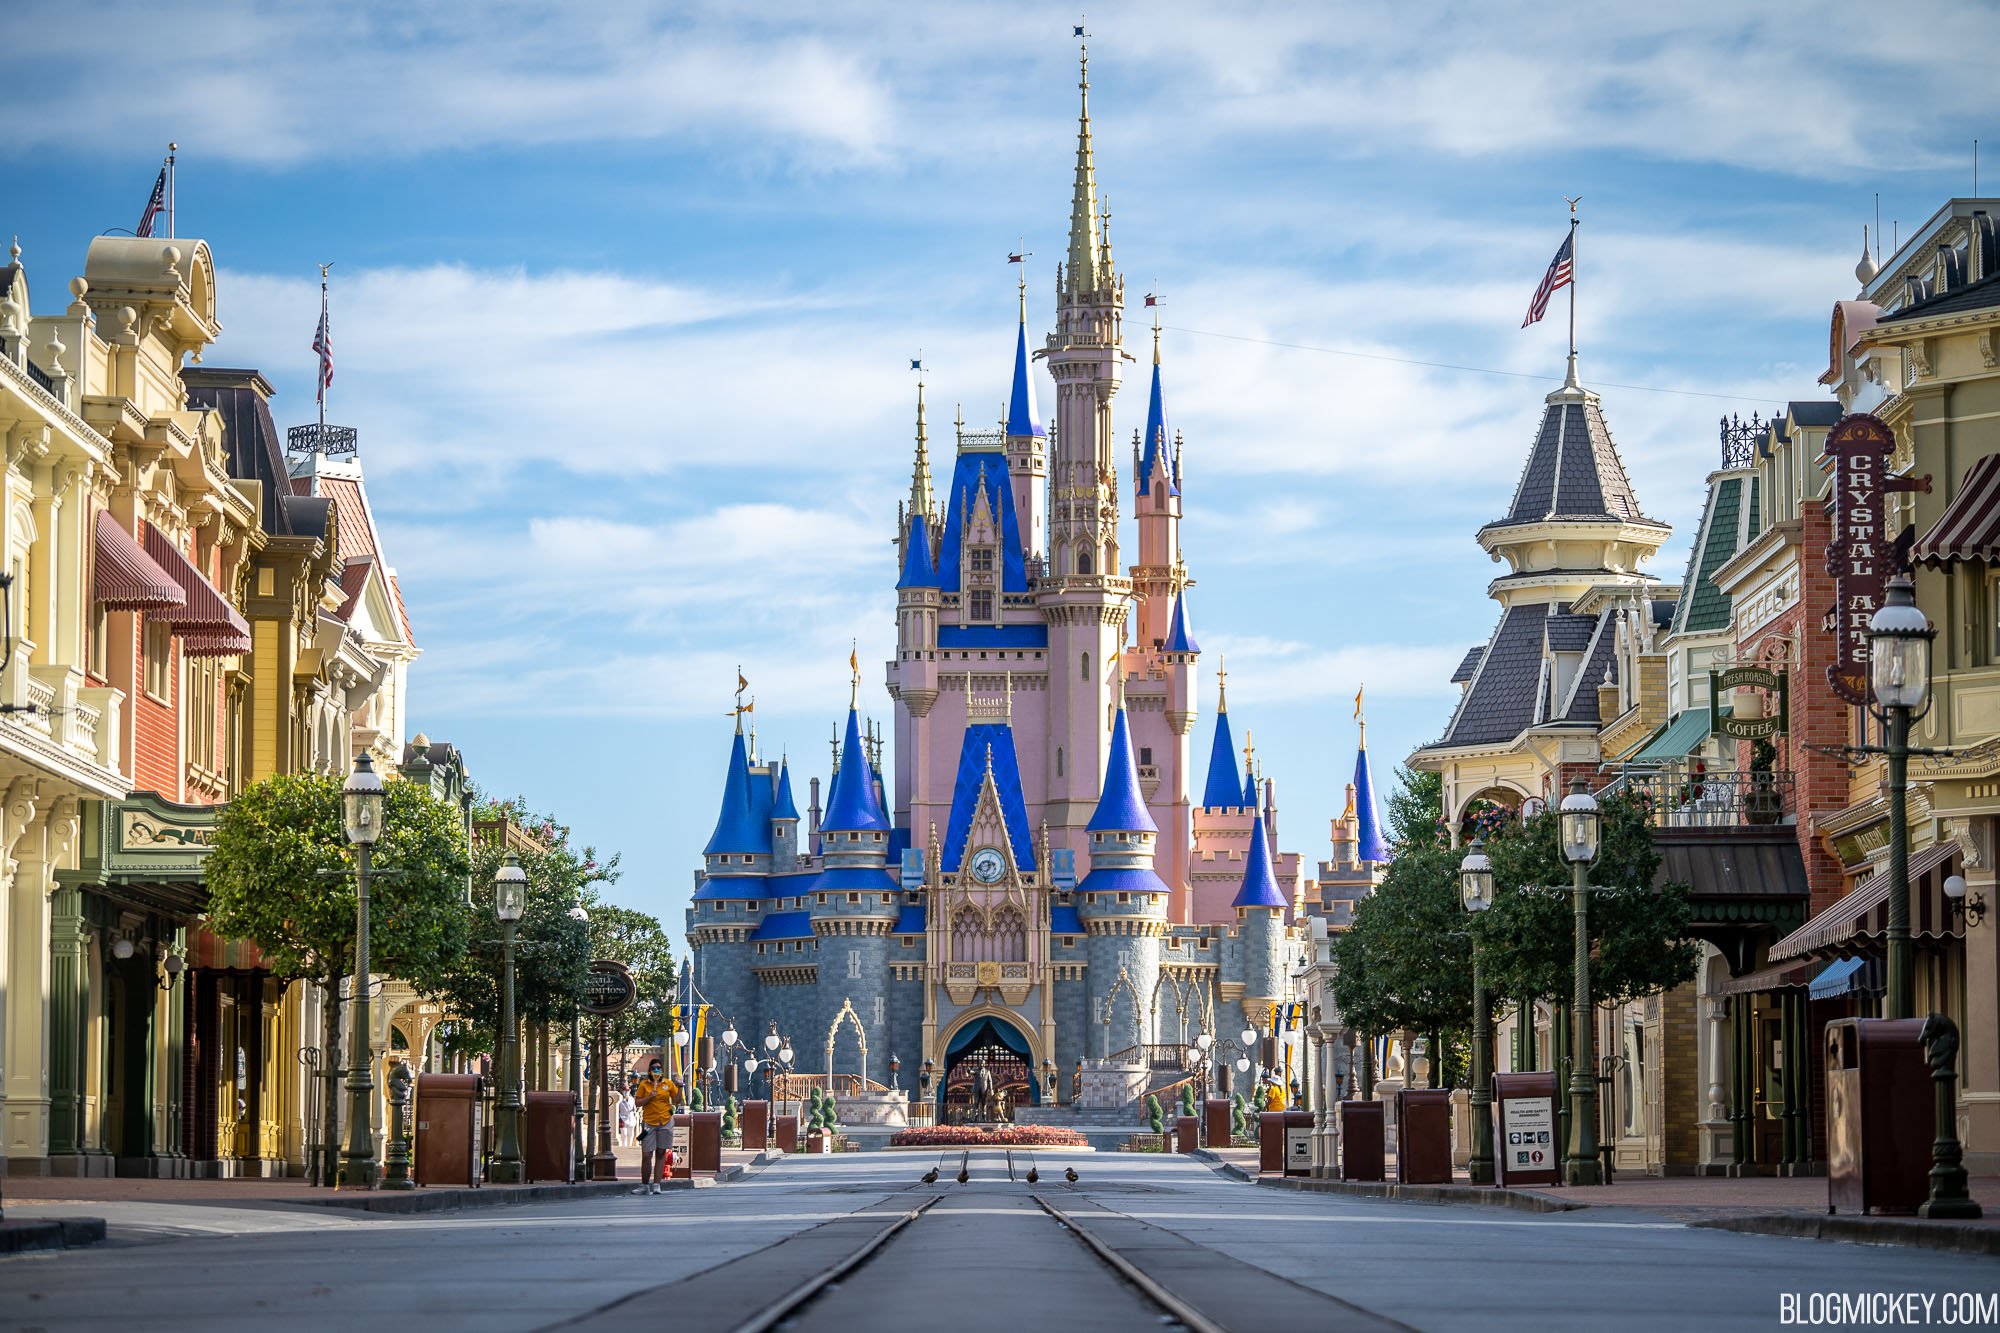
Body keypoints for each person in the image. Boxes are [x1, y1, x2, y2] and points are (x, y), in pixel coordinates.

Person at [632, 1057, 681, 1194]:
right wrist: (649, 1097)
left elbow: (677, 1101)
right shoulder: (644, 1085)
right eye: (653, 1068)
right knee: (647, 1154)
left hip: (665, 1121)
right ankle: (644, 1185)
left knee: (661, 1152)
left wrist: (680, 1087)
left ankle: (657, 1185)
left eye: (659, 1068)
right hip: (649, 1122)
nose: (656, 1070)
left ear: (662, 1070)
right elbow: (637, 1103)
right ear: (649, 1071)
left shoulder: (668, 1084)